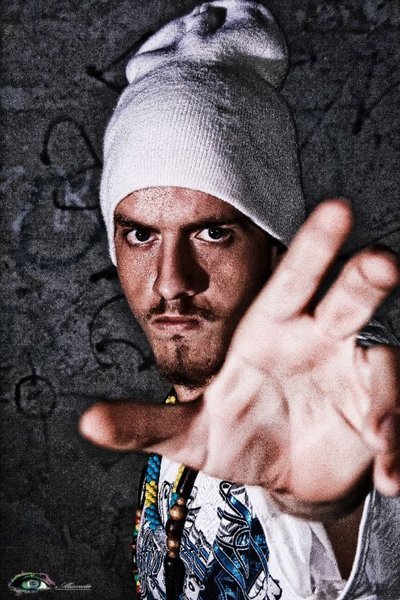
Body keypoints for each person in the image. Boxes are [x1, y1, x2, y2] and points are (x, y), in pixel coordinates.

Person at [80, 1, 400, 598]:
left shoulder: (332, 393)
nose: (170, 282)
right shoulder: (180, 411)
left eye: (211, 232)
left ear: (275, 247)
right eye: (140, 235)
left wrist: (335, 507)